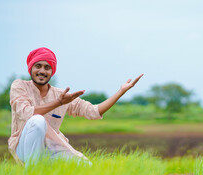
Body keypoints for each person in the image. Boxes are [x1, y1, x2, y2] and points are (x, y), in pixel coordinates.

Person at [8, 47, 143, 166]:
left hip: (51, 147)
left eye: (47, 67)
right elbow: (26, 113)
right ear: (31, 68)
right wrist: (58, 103)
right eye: (38, 66)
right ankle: (32, 173)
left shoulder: (61, 94)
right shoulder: (19, 86)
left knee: (86, 166)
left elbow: (93, 111)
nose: (42, 71)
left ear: (52, 71)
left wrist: (120, 92)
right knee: (37, 121)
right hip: (23, 147)